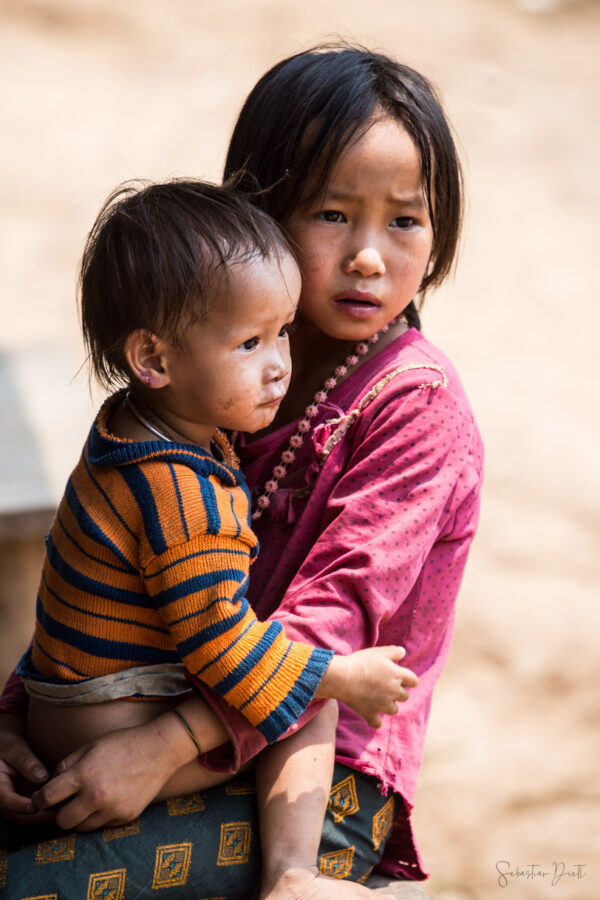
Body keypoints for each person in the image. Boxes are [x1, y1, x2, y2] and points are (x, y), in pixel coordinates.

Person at [0, 45, 484, 900]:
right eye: (333, 213)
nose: (370, 256)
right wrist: (15, 720)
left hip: (317, 775)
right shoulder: (205, 373)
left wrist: (158, 748)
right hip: (154, 709)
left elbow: (327, 634)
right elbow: (99, 575)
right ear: (257, 210)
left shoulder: (417, 411)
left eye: (404, 221)